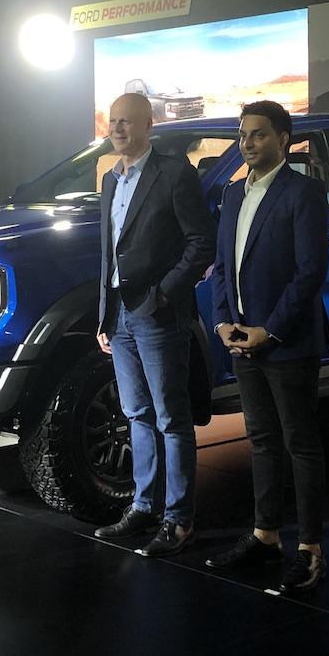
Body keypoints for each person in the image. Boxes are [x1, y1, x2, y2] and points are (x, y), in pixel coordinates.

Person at [206, 101, 329, 591]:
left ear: (283, 139)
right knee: (261, 440)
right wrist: (222, 322)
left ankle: (311, 549)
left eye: (258, 134)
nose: (247, 143)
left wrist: (270, 330)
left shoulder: (304, 192)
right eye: (242, 135)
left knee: (301, 444)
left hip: (286, 342)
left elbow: (310, 272)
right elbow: (221, 265)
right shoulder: (233, 194)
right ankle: (265, 535)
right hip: (241, 339)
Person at [94, 93, 215, 557]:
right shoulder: (110, 179)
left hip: (159, 314)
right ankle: (144, 506)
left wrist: (164, 293)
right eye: (113, 121)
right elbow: (108, 253)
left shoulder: (174, 174)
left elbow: (200, 243)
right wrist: (104, 315)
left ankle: (179, 519)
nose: (117, 129)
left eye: (127, 121)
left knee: (171, 418)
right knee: (136, 414)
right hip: (120, 317)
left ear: (148, 125)